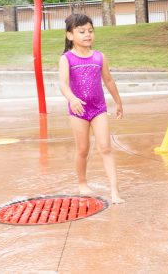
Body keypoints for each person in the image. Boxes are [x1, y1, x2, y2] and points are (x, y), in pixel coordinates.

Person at [58, 13, 124, 204]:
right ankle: (82, 182)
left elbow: (109, 81)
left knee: (105, 147)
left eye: (90, 31)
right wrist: (72, 99)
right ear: (70, 35)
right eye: (82, 31)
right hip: (78, 111)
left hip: (98, 108)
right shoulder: (67, 58)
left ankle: (114, 190)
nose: (87, 34)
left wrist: (118, 102)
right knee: (83, 149)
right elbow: (63, 83)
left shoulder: (99, 57)